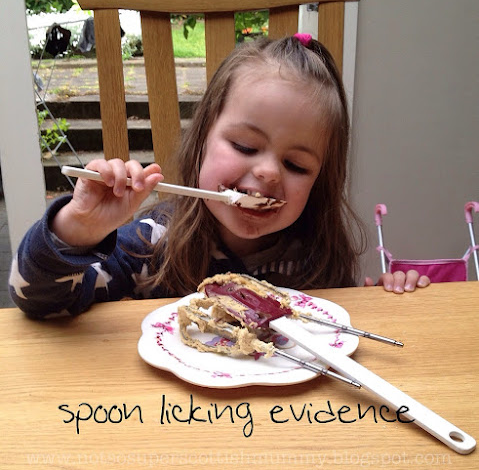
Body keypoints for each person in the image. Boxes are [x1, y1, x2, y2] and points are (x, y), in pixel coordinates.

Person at [9, 34, 429, 318]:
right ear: (202, 141)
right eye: (245, 146)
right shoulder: (150, 245)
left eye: (296, 166)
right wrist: (78, 230)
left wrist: (384, 300)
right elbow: (41, 301)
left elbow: (338, 332)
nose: (268, 172)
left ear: (320, 182)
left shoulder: (317, 258)